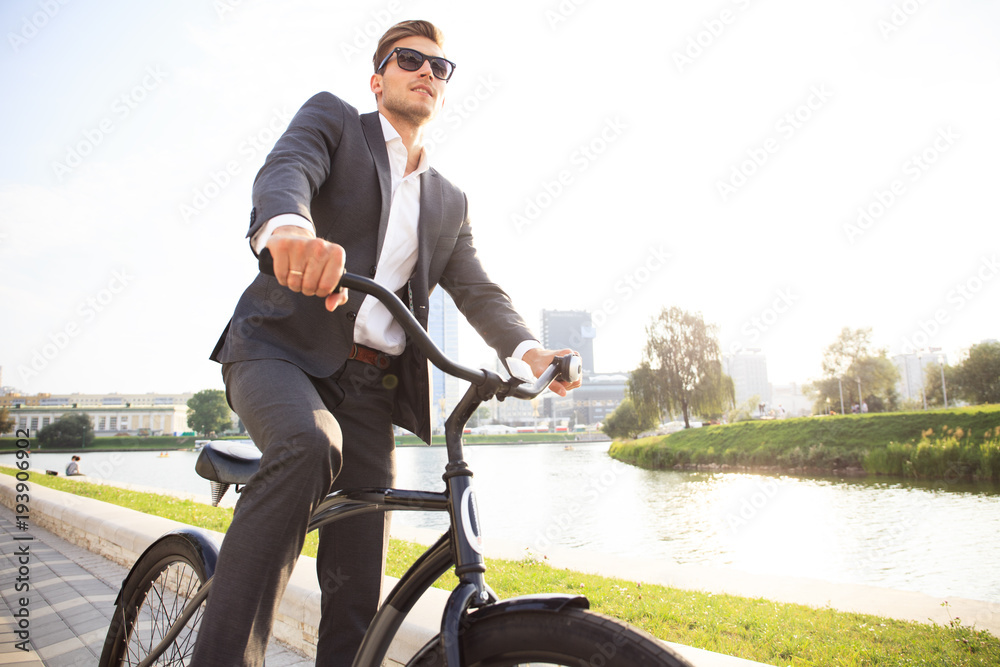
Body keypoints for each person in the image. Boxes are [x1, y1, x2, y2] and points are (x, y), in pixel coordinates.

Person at [193, 20, 579, 666]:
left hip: (371, 392)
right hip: (278, 351)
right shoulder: (336, 123)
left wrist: (530, 352)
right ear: (379, 80)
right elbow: (286, 170)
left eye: (440, 67)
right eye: (410, 59)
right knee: (310, 443)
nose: (427, 71)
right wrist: (290, 232)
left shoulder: (449, 200)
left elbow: (479, 290)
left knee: (356, 589)